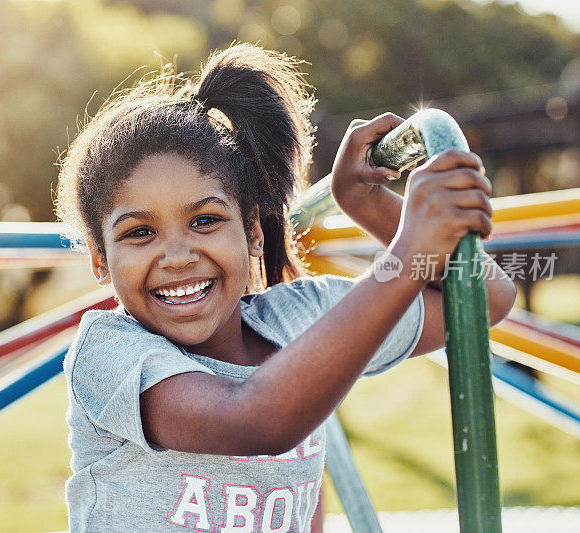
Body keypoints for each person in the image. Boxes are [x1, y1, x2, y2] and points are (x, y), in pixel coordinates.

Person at [55, 43, 516, 533]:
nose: (177, 256)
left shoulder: (299, 318)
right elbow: (256, 420)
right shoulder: (109, 356)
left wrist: (370, 206)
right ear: (100, 258)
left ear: (253, 231)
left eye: (205, 220)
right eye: (139, 232)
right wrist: (405, 254)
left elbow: (485, 298)